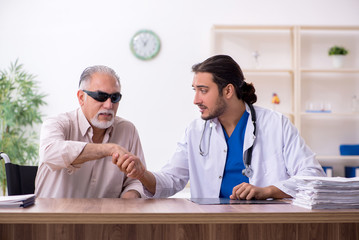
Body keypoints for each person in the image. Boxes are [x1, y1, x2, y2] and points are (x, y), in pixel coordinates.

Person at [114, 55, 326, 200]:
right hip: (212, 225)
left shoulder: (276, 125)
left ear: (228, 91)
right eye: (194, 90)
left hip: (265, 224)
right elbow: (172, 180)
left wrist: (268, 190)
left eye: (203, 90)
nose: (196, 99)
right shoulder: (196, 131)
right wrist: (142, 174)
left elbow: (312, 176)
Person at [35, 65, 146, 198]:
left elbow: (136, 181)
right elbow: (50, 153)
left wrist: (128, 202)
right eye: (101, 96)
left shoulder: (128, 130)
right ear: (81, 97)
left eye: (115, 97)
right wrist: (109, 149)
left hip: (106, 217)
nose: (109, 105)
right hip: (54, 217)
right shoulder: (57, 123)